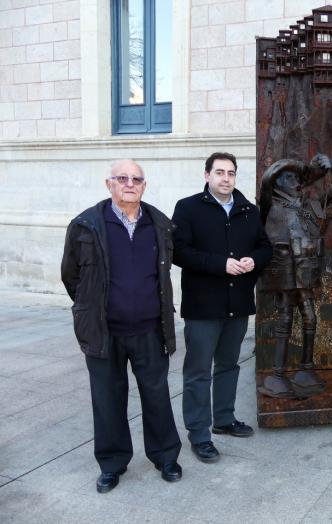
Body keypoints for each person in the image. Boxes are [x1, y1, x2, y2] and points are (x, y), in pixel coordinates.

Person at [61, 159, 182, 494]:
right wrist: (90, 308)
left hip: (149, 330)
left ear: (144, 185)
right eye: (122, 178)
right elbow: (71, 276)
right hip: (104, 332)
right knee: (107, 399)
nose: (130, 183)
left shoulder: (159, 223)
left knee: (157, 396)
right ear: (109, 184)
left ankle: (165, 456)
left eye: (137, 179)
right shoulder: (86, 225)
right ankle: (112, 463)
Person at [172, 152, 271, 463]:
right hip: (203, 306)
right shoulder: (187, 208)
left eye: (230, 173)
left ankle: (224, 420)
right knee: (199, 372)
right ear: (207, 176)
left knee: (229, 365)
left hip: (238, 304)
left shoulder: (248, 210)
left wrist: (254, 260)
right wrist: (220, 265)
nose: (225, 178)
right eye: (219, 172)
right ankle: (199, 434)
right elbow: (178, 252)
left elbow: (265, 247)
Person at [257, 154, 332, 398]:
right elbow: (265, 181)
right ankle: (277, 375)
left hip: (305, 272)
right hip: (284, 273)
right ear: (278, 181)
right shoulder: (270, 203)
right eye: (290, 178)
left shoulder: (308, 205)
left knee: (310, 317)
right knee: (285, 320)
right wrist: (307, 170)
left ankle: (305, 370)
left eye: (298, 178)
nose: (296, 182)